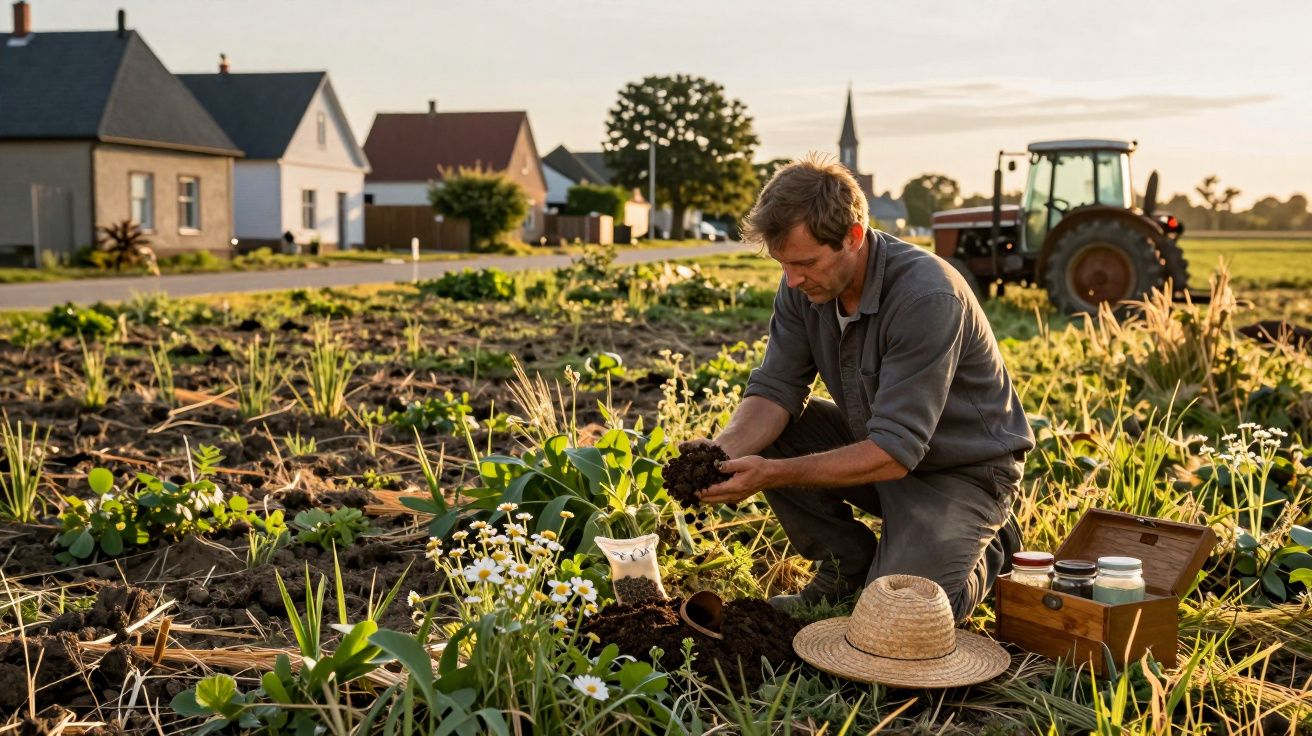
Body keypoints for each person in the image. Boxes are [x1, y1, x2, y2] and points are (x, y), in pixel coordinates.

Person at [692, 154, 1034, 620]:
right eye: (783, 264)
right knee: (781, 432)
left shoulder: (927, 295)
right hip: (879, 450)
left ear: (853, 237)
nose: (792, 279)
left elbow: (895, 451)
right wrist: (718, 456)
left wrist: (773, 474)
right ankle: (844, 566)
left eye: (806, 263)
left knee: (901, 617)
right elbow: (775, 389)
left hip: (959, 474)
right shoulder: (801, 285)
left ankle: (991, 546)